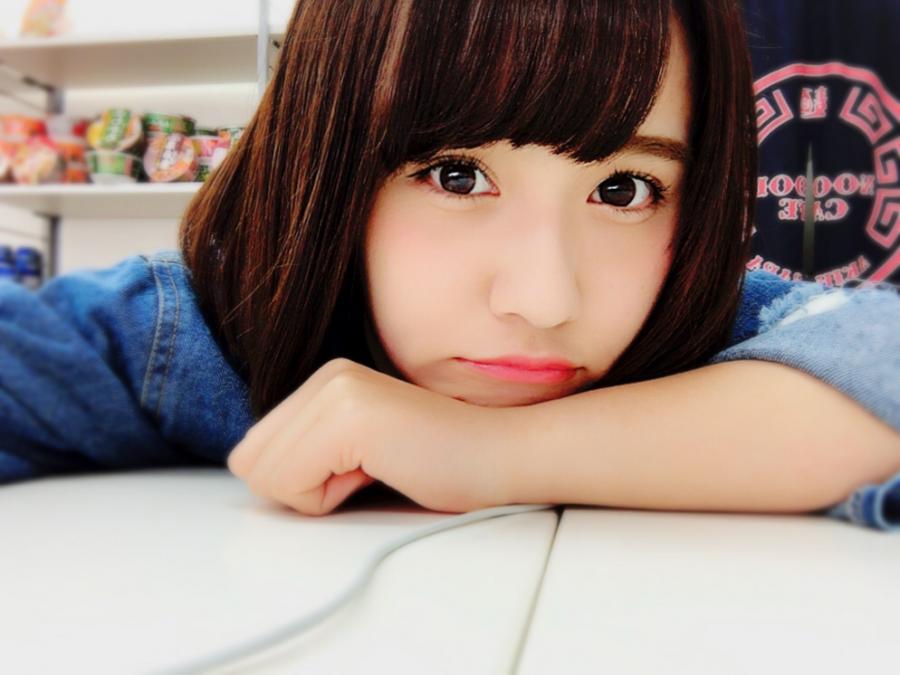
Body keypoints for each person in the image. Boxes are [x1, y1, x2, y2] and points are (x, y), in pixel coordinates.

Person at [1, 0, 898, 529]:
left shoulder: (694, 327)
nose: (543, 298)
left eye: (624, 190)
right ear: (326, 162)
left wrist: (492, 454)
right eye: (456, 176)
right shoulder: (205, 328)